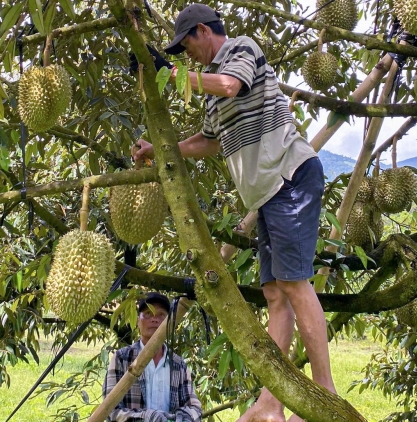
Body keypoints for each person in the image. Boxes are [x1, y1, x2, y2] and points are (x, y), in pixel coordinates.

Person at [131, 4, 336, 422]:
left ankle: (324, 392)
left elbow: (227, 85)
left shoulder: (242, 50)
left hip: (290, 176)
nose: (188, 56)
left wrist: (168, 74)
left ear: (204, 31)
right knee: (276, 294)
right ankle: (271, 400)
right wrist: (160, 150)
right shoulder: (210, 97)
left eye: (187, 46)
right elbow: (208, 143)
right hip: (266, 195)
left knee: (295, 285)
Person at [102, 292, 202, 422]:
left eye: (161, 315)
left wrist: (180, 419)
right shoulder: (122, 358)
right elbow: (110, 410)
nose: (154, 319)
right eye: (148, 314)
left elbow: (194, 408)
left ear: (170, 323)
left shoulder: (178, 364)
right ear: (138, 321)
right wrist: (147, 417)